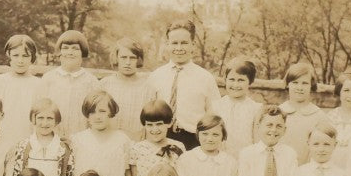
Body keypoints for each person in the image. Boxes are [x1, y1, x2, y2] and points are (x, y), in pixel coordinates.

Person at [146, 19, 217, 151]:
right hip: (160, 138)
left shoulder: (205, 78)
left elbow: (214, 117)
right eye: (174, 43)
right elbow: (148, 114)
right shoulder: (156, 76)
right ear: (167, 44)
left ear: (193, 44)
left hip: (194, 141)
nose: (179, 48)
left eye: (184, 43)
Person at [4, 97, 76, 176]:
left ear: (56, 121)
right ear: (33, 120)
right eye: (40, 118)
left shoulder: (63, 148)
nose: (45, 123)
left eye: (50, 118)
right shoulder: (23, 146)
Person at [68, 90, 132, 176]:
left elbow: (127, 175)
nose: (97, 116)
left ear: (111, 112)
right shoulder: (77, 140)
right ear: (87, 115)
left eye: (102, 111)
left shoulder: (122, 140)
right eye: (92, 112)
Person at [125, 99, 185, 176]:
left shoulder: (178, 147)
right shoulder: (136, 148)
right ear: (144, 125)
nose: (154, 129)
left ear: (169, 123)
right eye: (150, 125)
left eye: (159, 124)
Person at [42, 29, 101, 136]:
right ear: (60, 52)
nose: (70, 52)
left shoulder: (91, 81)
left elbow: (97, 114)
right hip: (52, 137)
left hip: (82, 137)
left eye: (75, 49)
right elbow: (39, 111)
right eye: (65, 48)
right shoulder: (48, 79)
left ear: (82, 52)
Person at [0, 34, 46, 143]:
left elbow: (41, 115)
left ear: (32, 58)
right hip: (1, 139)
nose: (20, 60)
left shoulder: (38, 84)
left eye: (25, 56)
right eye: (16, 55)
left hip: (29, 139)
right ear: (8, 55)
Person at [100, 40, 152, 139]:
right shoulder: (105, 85)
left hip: (137, 141)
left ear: (138, 60)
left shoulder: (148, 89)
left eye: (132, 58)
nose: (128, 62)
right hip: (108, 139)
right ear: (116, 59)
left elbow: (150, 121)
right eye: (123, 57)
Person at [212, 57, 264, 155]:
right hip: (221, 158)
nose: (235, 84)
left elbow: (258, 140)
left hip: (246, 158)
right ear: (225, 80)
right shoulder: (216, 106)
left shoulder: (256, 108)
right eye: (232, 79)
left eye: (241, 80)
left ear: (250, 82)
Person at [276, 62, 326, 155]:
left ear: (311, 86)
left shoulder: (319, 116)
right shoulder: (277, 112)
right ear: (287, 84)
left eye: (305, 83)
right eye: (295, 82)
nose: (299, 87)